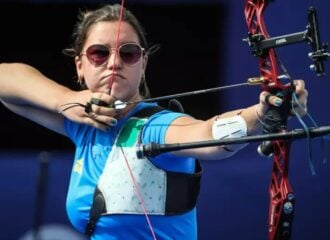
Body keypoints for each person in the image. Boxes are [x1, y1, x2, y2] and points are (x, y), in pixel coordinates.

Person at [0, 3, 308, 240]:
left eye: (129, 53)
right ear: (79, 65)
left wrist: (261, 114)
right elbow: (6, 84)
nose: (114, 62)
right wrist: (66, 100)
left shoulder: (156, 126)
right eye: (98, 53)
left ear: (143, 63)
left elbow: (208, 134)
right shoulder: (83, 126)